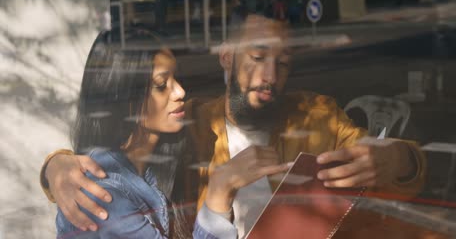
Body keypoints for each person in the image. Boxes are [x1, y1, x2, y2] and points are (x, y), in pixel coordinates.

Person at [41, 15, 426, 238]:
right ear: (226, 57)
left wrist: (397, 157)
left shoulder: (317, 115)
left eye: (283, 63)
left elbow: (395, 164)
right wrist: (55, 167)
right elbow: (110, 164)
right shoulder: (188, 125)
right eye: (257, 58)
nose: (270, 76)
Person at [52, 31, 284, 238]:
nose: (180, 91)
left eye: (175, 78)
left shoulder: (155, 165)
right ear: (124, 98)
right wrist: (220, 190)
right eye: (161, 84)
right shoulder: (104, 193)